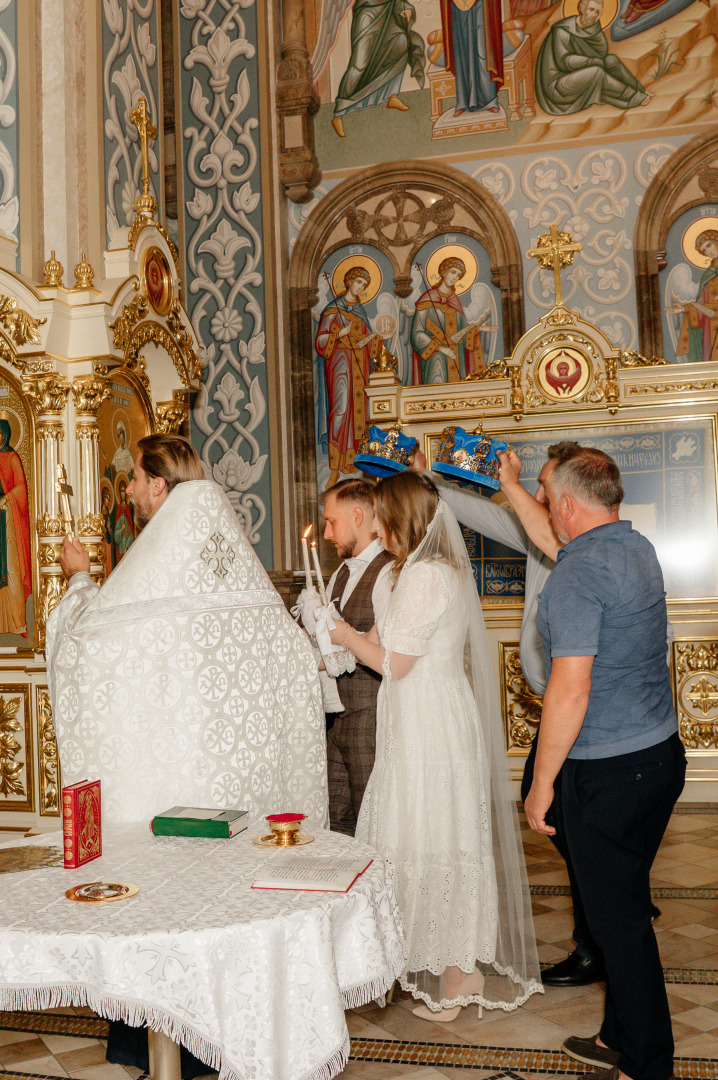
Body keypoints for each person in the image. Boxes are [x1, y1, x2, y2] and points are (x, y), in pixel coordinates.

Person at [329, 470, 541, 1019]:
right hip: (415, 716)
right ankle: (436, 963)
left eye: (381, 514)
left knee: (436, 834)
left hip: (430, 720)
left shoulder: (427, 576)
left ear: (400, 517)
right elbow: (385, 638)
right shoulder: (411, 572)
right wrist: (346, 631)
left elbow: (393, 663)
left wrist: (346, 638)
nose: (375, 523)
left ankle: (457, 973)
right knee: (419, 830)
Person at [524, 445, 685, 1080]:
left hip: (605, 772)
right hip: (658, 756)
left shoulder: (575, 575)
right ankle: (620, 1035)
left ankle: (648, 1066)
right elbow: (555, 539)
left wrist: (541, 786)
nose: (540, 502)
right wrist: (510, 485)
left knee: (620, 929)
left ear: (567, 501)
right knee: (622, 902)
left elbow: (569, 690)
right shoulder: (632, 545)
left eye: (542, 491)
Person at [321, 478, 394, 834]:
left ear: (357, 516)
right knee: (337, 822)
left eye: (331, 522)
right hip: (338, 718)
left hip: (372, 716)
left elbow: (388, 648)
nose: (325, 533)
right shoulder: (340, 572)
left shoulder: (389, 571)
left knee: (375, 822)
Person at [315, 266, 381, 485]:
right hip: (340, 365)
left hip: (359, 364)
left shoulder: (360, 312)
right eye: (358, 282)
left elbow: (367, 344)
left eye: (364, 285)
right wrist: (338, 333)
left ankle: (358, 464)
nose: (360, 287)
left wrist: (374, 339)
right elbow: (321, 342)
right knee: (341, 409)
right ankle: (335, 467)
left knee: (360, 413)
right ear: (349, 282)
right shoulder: (332, 310)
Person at [534, 0, 650, 115]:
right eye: (591, 10)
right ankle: (633, 96)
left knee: (611, 60)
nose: (594, 14)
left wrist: (594, 31)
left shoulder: (592, 27)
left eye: (598, 12)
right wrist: (592, 61)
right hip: (558, 86)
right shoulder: (562, 30)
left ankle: (639, 90)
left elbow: (602, 53)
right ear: (582, 9)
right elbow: (564, 61)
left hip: (578, 74)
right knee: (596, 72)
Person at [331, 0, 426, 138]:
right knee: (359, 64)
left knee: (400, 43)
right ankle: (338, 114)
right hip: (367, 13)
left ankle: (391, 95)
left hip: (389, 9)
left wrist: (405, 7)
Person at [410, 257, 484, 384]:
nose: (455, 277)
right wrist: (440, 348)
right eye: (453, 272)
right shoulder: (427, 300)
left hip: (457, 359)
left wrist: (479, 329)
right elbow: (417, 334)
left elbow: (464, 332)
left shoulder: (455, 302)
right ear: (444, 272)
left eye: (459, 275)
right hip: (435, 359)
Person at [439, 0, 503, 115]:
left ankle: (489, 100)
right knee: (461, 52)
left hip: (481, 4)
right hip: (456, 4)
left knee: (483, 50)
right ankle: (463, 102)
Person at [0, 418, 32, 636]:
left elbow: (21, 487)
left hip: (8, 519)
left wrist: (7, 498)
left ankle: (17, 622)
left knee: (11, 570)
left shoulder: (12, 458)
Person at [676, 230, 718, 363]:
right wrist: (684, 309)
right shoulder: (709, 274)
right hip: (712, 329)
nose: (708, 251)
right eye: (704, 251)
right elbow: (701, 303)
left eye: (709, 245)